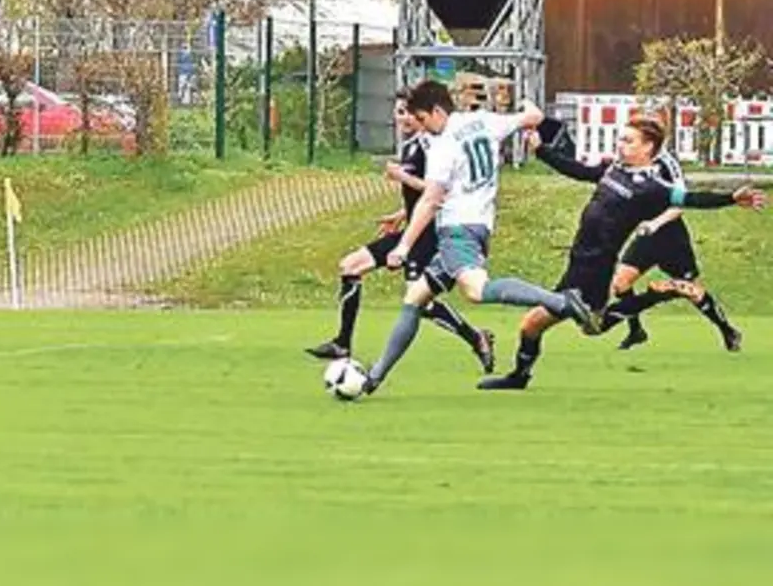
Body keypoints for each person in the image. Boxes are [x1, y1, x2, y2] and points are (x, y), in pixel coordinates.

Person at [478, 117, 763, 391]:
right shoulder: (614, 169)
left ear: (648, 147)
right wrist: (541, 151)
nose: (620, 145)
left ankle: (659, 294)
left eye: (628, 141)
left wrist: (730, 199)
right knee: (541, 325)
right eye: (621, 139)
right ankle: (520, 376)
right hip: (576, 263)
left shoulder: (653, 188)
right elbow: (577, 170)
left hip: (595, 271)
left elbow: (690, 199)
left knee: (571, 324)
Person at [361, 80, 596, 397]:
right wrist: (526, 104)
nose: (421, 127)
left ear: (437, 111)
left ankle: (562, 302)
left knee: (475, 290)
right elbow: (533, 115)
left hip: (457, 228)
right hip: (479, 225)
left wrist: (403, 247)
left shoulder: (444, 146)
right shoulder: (483, 121)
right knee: (415, 298)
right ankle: (373, 378)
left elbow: (430, 200)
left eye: (422, 119)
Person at [306, 89, 496, 373]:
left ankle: (475, 337)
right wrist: (400, 215)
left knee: (418, 299)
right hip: (411, 227)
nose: (403, 119)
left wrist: (402, 176)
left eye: (408, 113)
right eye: (398, 113)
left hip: (429, 233)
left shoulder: (434, 145)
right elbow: (418, 195)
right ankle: (342, 343)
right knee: (350, 266)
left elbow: (437, 193)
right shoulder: (410, 145)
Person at [596, 146, 742, 352]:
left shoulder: (666, 162)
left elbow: (680, 203)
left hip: (672, 238)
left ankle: (727, 330)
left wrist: (655, 223)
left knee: (691, 290)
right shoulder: (627, 163)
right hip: (646, 238)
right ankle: (636, 331)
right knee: (620, 283)